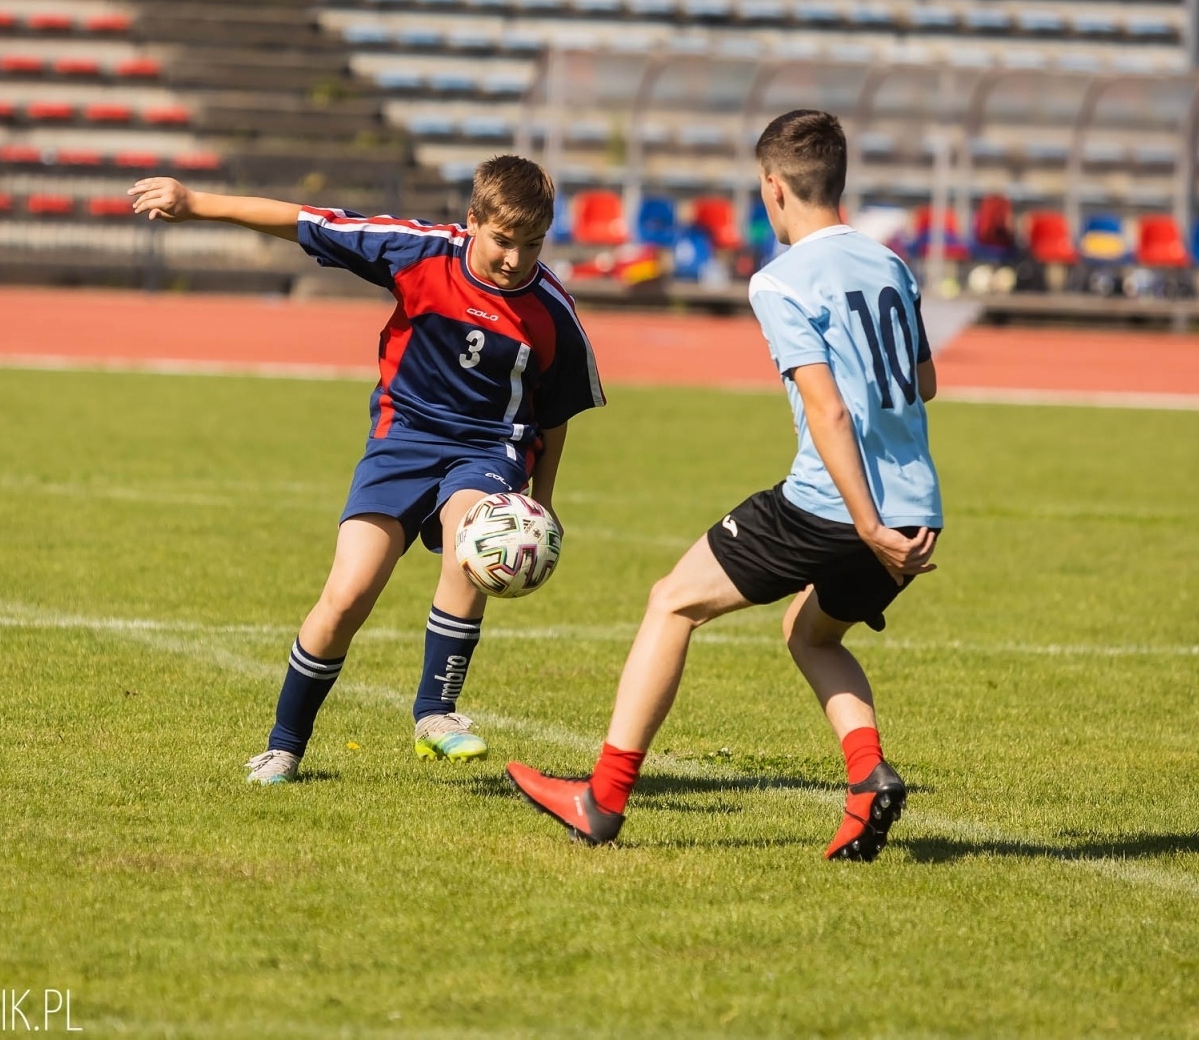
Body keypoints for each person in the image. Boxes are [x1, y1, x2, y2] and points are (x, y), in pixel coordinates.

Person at [506, 110, 941, 862]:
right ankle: (868, 776)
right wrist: (883, 522)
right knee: (811, 634)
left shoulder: (780, 279)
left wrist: (863, 521)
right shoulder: (890, 265)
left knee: (671, 602)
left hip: (841, 507)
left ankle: (601, 799)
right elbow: (923, 382)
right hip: (918, 512)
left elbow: (829, 409)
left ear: (772, 188)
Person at [128, 156, 605, 783]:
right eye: (503, 241)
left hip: (490, 449)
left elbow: (555, 419)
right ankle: (284, 745)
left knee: (471, 546)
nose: (517, 259)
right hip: (402, 440)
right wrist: (196, 203)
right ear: (472, 223)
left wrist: (539, 506)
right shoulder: (416, 253)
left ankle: (436, 714)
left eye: (533, 244)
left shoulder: (552, 312)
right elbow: (307, 222)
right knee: (348, 592)